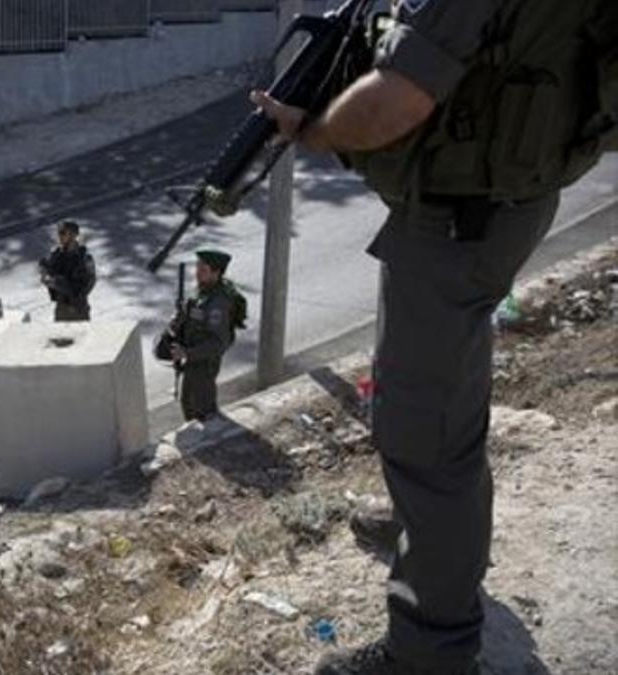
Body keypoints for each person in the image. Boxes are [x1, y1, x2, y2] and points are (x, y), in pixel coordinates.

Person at [250, 0, 615, 672]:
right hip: (502, 194)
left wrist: (311, 128)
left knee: (429, 431)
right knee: (425, 392)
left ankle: (431, 647)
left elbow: (397, 101)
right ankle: (429, 530)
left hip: (461, 216)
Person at [156, 250, 246, 422]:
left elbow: (218, 343)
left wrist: (187, 353)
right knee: (188, 403)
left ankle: (212, 444)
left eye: (203, 269)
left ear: (216, 272)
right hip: (193, 359)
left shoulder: (218, 304)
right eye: (197, 267)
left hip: (204, 364)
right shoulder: (203, 292)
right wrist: (177, 322)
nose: (197, 273)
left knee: (203, 410)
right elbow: (191, 317)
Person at [39, 220, 96, 321]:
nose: (60, 237)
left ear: (73, 235)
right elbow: (50, 279)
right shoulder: (57, 256)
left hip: (78, 310)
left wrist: (61, 284)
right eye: (59, 233)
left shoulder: (84, 258)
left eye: (63, 233)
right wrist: (46, 274)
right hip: (61, 309)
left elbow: (87, 285)